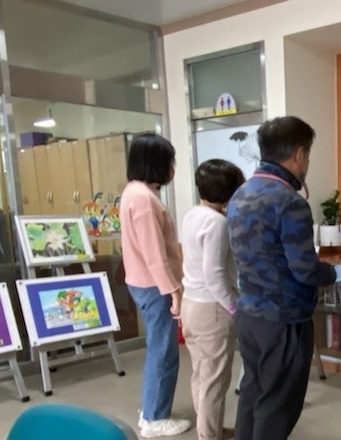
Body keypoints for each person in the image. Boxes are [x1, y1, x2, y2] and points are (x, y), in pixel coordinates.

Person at [226, 116, 337, 440]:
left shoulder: (240, 194)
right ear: (299, 154)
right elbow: (305, 269)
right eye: (308, 156)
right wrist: (335, 273)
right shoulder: (289, 201)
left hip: (249, 316)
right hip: (283, 321)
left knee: (252, 394)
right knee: (277, 407)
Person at [120, 133, 192, 439]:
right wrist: (174, 291)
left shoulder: (134, 192)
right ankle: (155, 418)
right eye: (170, 162)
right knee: (163, 352)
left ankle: (152, 410)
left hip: (144, 283)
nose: (173, 168)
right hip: (154, 286)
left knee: (158, 349)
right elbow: (154, 255)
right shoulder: (144, 200)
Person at [180, 159, 245, 440]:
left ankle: (210, 429)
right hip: (212, 309)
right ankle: (209, 435)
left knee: (201, 374)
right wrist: (234, 305)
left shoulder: (192, 214)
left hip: (191, 304)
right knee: (215, 381)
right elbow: (215, 274)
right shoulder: (217, 223)